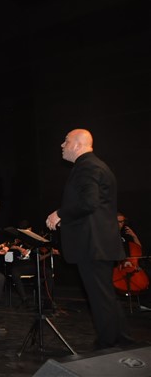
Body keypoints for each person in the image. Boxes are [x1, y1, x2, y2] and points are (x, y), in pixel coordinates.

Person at [45, 129, 131, 348]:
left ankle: (107, 343)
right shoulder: (97, 165)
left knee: (99, 296)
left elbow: (89, 203)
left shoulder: (87, 167)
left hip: (92, 244)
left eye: (66, 141)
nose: (62, 145)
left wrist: (60, 214)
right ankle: (120, 338)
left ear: (77, 144)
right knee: (105, 294)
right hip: (100, 243)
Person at [8, 220, 58, 311]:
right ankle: (25, 300)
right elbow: (6, 246)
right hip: (19, 266)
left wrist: (50, 253)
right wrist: (18, 248)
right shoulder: (16, 238)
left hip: (31, 266)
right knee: (14, 272)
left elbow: (39, 258)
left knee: (48, 272)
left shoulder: (33, 241)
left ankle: (48, 300)